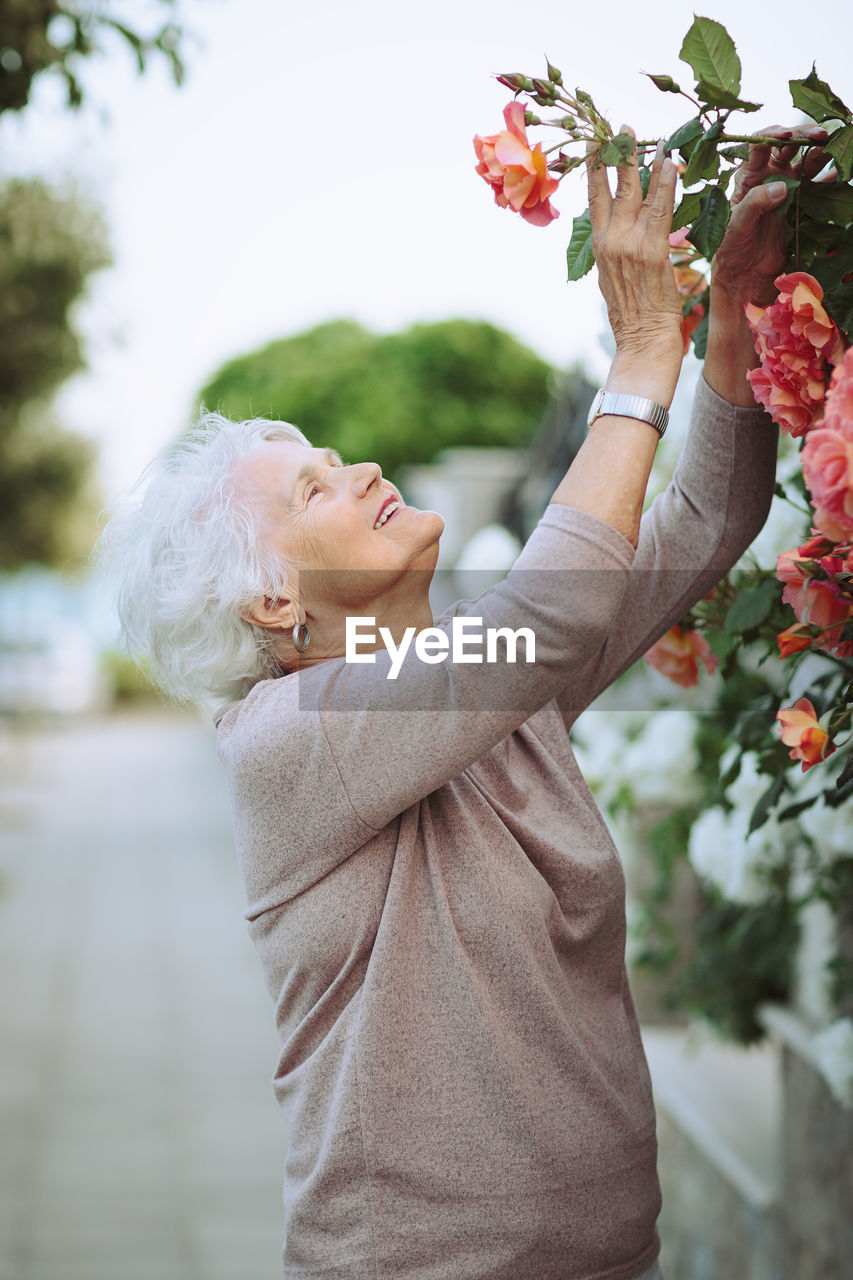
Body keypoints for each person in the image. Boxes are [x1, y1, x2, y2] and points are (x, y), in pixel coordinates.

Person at [99, 125, 828, 1280]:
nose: (365, 471)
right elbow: (546, 612)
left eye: (341, 458)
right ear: (271, 595)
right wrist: (643, 346)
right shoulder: (291, 740)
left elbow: (698, 525)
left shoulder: (491, 682)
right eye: (316, 488)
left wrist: (728, 319)